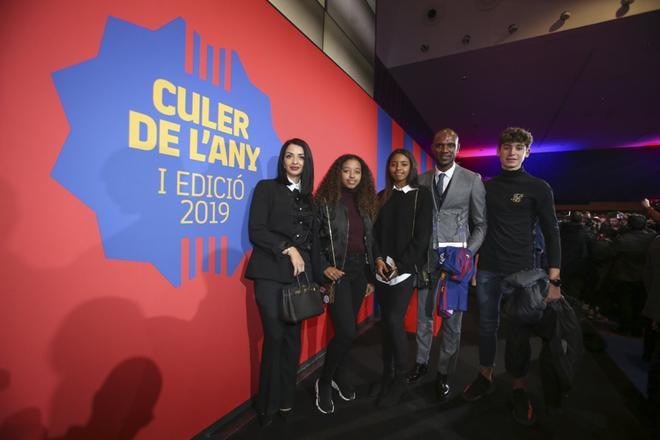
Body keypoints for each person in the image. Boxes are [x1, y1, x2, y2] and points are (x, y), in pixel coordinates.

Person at [462, 127, 562, 426]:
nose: (512, 152)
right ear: (498, 151)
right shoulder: (486, 188)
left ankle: (519, 388)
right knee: (487, 327)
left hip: (524, 274)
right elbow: (478, 226)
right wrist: (474, 263)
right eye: (507, 147)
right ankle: (485, 375)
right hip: (489, 269)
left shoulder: (539, 187)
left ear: (527, 152)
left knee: (519, 333)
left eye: (518, 147)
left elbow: (552, 232)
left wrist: (554, 280)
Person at [407, 128, 487, 402]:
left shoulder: (472, 180)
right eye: (440, 145)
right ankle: (420, 362)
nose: (444, 149)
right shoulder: (421, 180)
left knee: (452, 320)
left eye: (449, 145)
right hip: (428, 260)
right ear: (433, 147)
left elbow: (481, 224)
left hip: (457, 263)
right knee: (424, 315)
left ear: (457, 147)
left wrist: (468, 252)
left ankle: (444, 372)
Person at [245, 138, 315, 427]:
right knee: (274, 338)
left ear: (306, 162)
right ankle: (267, 404)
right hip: (270, 273)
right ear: (282, 160)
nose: (295, 161)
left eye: (300, 156)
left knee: (291, 340)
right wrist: (288, 247)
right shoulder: (266, 188)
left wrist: (322, 277)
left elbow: (314, 243)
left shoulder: (311, 199)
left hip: (299, 278)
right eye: (289, 155)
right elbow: (256, 230)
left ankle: (286, 400)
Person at [312, 154, 378, 414]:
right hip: (337, 272)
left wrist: (371, 276)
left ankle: (339, 375)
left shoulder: (366, 203)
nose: (352, 176)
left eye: (357, 172)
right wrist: (324, 266)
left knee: (346, 332)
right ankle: (324, 381)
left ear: (363, 177)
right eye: (347, 171)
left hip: (359, 272)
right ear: (337, 173)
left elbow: (370, 242)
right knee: (348, 331)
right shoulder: (324, 202)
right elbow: (313, 241)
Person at [372, 149, 432, 407]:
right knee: (386, 323)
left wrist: (402, 265)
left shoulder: (422, 196)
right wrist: (377, 259)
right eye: (394, 164)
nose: (398, 168)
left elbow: (422, 237)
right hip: (381, 269)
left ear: (411, 168)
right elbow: (372, 234)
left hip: (404, 271)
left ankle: (401, 380)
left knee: (395, 322)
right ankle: (387, 375)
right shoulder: (381, 197)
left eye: (404, 164)